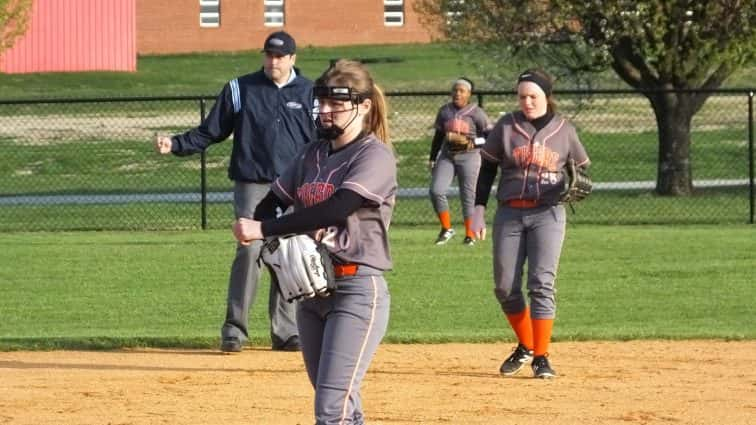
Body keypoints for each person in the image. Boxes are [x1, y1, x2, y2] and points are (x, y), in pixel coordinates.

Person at [232, 59, 395, 425]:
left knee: (330, 406)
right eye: (321, 103)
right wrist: (271, 231)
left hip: (356, 289)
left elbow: (339, 208)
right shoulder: (312, 153)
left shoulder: (375, 155)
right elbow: (270, 201)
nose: (325, 111)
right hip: (312, 293)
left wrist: (264, 231)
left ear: (364, 106)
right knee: (337, 401)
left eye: (336, 104)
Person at [154, 31, 315, 353]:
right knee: (249, 250)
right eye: (269, 55)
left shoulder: (311, 92)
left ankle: (286, 332)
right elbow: (210, 131)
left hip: (294, 185)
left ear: (293, 59)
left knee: (288, 253)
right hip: (252, 184)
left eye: (280, 56)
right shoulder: (241, 89)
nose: (273, 61)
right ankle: (234, 331)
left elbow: (325, 136)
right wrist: (176, 144)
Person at [471, 69, 590, 379]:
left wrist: (578, 185)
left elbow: (583, 170)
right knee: (504, 286)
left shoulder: (564, 130)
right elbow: (487, 170)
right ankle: (525, 344)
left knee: (541, 284)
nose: (527, 102)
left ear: (546, 97)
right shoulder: (506, 127)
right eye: (522, 96)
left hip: (547, 214)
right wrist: (478, 210)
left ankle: (541, 356)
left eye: (533, 96)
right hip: (509, 212)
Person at [428, 77, 492, 246]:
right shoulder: (445, 111)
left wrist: (473, 142)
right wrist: (433, 157)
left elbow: (490, 137)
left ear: (469, 94)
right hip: (447, 155)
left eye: (462, 90)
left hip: (470, 156)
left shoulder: (476, 113)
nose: (457, 93)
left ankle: (470, 235)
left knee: (468, 196)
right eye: (455, 90)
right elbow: (438, 136)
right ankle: (446, 229)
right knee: (436, 190)